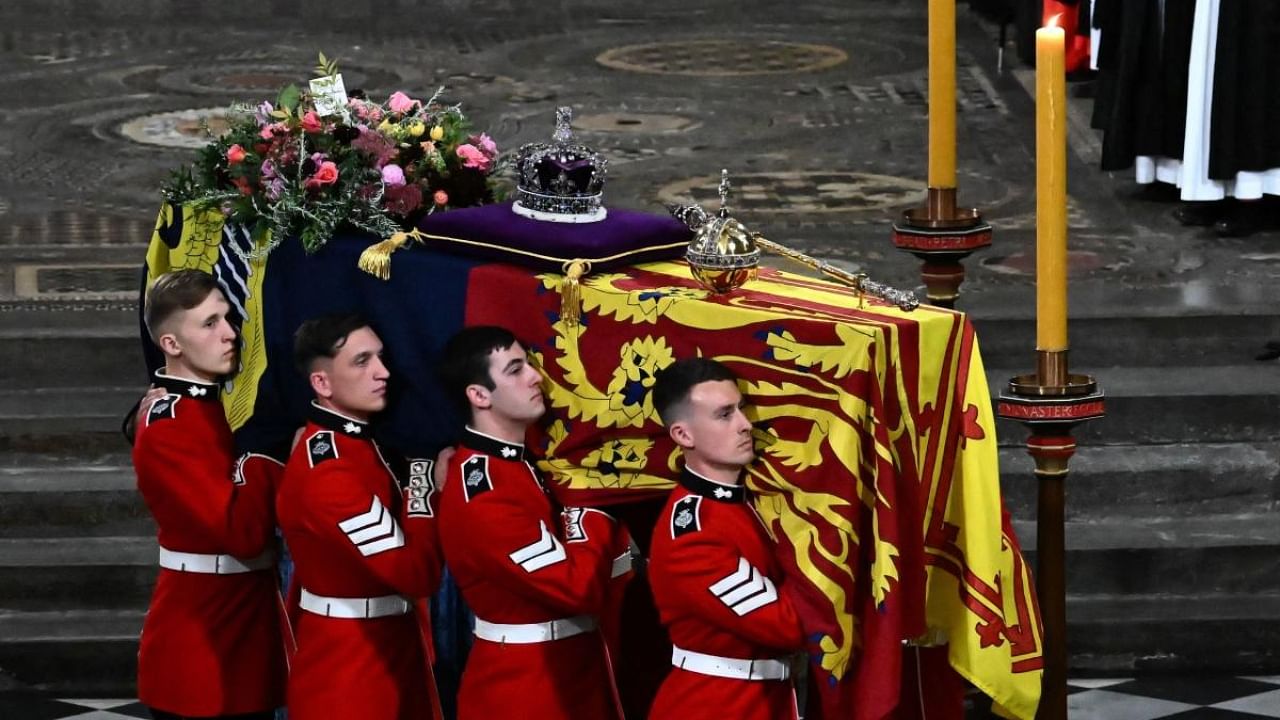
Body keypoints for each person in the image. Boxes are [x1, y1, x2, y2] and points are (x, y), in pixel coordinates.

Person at [436, 325, 634, 720]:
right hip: (526, 688)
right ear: (478, 395)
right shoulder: (485, 492)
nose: (535, 377)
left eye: (529, 364)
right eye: (515, 370)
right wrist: (589, 506)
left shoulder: (517, 462)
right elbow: (575, 589)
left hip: (574, 670)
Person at [133, 269, 286, 720]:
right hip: (203, 637)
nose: (230, 333)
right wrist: (265, 457)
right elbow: (240, 533)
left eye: (226, 318)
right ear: (172, 345)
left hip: (236, 624)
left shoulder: (198, 406)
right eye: (209, 324)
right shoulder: (172, 425)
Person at [278, 313, 447, 720]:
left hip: (387, 648)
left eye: (380, 357)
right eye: (361, 362)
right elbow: (414, 575)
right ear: (322, 383)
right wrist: (424, 483)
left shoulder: (354, 444)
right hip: (352, 672)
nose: (383, 372)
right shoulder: (331, 471)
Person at [646, 358, 807, 720]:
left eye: (742, 409)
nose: (745, 425)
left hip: (767, 698)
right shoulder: (693, 535)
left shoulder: (749, 499)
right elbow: (788, 624)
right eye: (724, 415)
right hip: (716, 705)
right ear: (683, 435)